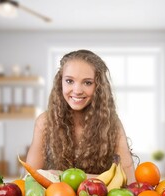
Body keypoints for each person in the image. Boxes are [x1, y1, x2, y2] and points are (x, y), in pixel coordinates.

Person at [26, 49, 136, 184]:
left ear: (98, 87)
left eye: (87, 83)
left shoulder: (111, 124)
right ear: (60, 82)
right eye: (69, 81)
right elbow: (30, 176)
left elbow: (129, 179)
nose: (77, 91)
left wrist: (62, 175)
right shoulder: (45, 122)